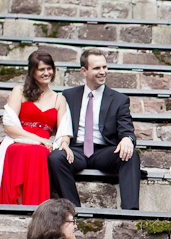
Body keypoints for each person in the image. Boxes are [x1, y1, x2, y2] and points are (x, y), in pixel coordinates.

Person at [48, 49, 141, 209]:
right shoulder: (68, 96)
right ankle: (73, 209)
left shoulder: (119, 99)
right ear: (84, 71)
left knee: (130, 155)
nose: (103, 72)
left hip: (104, 152)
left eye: (104, 67)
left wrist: (127, 139)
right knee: (55, 158)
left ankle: (130, 213)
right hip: (76, 150)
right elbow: (61, 125)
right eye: (97, 68)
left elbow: (127, 130)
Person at [0, 50, 71, 205]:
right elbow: (9, 127)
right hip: (18, 139)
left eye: (49, 68)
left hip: (44, 146)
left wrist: (65, 143)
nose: (46, 73)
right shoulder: (19, 91)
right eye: (41, 69)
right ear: (32, 71)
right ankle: (19, 203)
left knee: (39, 151)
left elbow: (64, 130)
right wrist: (39, 139)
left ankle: (34, 205)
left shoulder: (59, 99)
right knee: (25, 150)